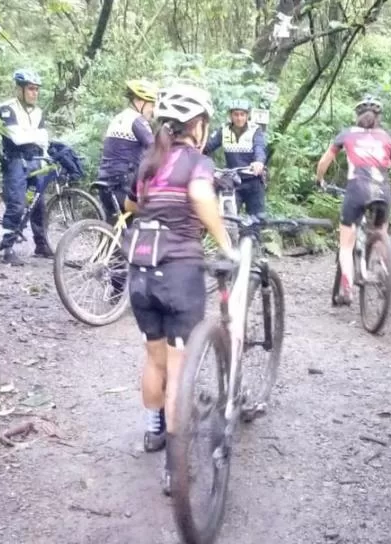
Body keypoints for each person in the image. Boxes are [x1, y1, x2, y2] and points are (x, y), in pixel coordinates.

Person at [123, 83, 236, 495]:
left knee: (153, 357)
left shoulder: (149, 161)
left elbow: (131, 205)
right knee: (177, 367)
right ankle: (175, 467)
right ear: (200, 126)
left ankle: (153, 431)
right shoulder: (197, 162)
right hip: (178, 273)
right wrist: (225, 244)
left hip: (140, 272)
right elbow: (201, 196)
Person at [314, 95, 391, 305]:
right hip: (382, 191)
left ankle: (347, 288)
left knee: (346, 243)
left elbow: (324, 161)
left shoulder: (347, 134)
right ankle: (386, 266)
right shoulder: (387, 137)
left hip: (357, 189)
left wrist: (319, 180)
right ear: (378, 117)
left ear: (357, 116)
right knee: (380, 230)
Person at [0, 68, 53, 266]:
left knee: (39, 204)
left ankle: (41, 245)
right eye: (30, 89)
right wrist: (34, 135)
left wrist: (43, 152)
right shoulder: (7, 109)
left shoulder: (38, 112)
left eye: (37, 89)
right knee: (17, 204)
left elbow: (44, 138)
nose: (34, 93)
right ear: (19, 89)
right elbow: (17, 139)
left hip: (35, 158)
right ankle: (7, 248)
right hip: (15, 159)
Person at [96, 79, 158, 223]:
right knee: (154, 215)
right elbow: (155, 149)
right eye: (151, 104)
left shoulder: (118, 118)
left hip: (105, 182)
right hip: (123, 185)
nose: (153, 110)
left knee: (115, 232)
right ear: (139, 101)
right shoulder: (137, 121)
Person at [203, 99, 268, 215]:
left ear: (247, 115)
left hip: (253, 179)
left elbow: (259, 148)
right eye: (236, 114)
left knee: (257, 217)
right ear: (231, 116)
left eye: (242, 114)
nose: (239, 118)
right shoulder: (224, 130)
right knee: (229, 216)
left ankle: (252, 233)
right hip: (233, 180)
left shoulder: (255, 130)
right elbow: (208, 147)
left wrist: (259, 162)